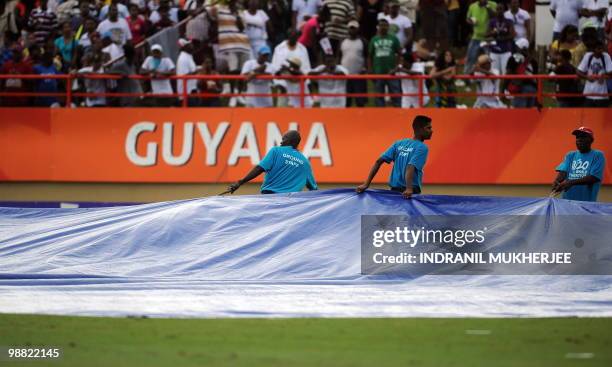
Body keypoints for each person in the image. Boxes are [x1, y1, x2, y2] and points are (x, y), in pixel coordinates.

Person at [356, 115, 433, 198]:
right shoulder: (422, 147)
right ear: (420, 129)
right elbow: (410, 167)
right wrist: (409, 188)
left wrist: (366, 184)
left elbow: (379, 161)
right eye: (428, 128)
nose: (432, 131)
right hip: (410, 193)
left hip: (394, 192)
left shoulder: (398, 143)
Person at [227, 130, 318, 194]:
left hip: (270, 199)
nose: (281, 142)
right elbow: (314, 189)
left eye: (284, 139)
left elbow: (259, 168)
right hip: (291, 204)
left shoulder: (276, 151)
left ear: (291, 141)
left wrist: (240, 182)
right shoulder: (305, 163)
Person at [552, 127, 606, 202]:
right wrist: (557, 181)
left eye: (583, 137)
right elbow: (563, 172)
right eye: (577, 137)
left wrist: (571, 182)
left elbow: (594, 177)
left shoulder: (597, 155)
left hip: (586, 204)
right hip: (566, 203)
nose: (579, 139)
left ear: (591, 140)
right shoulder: (570, 155)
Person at [369, 18, 401, 107]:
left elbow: (399, 53)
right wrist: (371, 69)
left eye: (385, 25)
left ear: (388, 27)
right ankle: (381, 115)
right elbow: (369, 56)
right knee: (379, 95)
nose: (383, 27)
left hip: (391, 72)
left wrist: (397, 67)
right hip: (378, 72)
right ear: (378, 27)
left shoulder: (394, 38)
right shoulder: (374, 40)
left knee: (395, 94)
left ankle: (398, 113)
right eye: (381, 25)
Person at [340, 20, 368, 107]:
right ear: (348, 29)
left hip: (358, 75)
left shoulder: (363, 41)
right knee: (346, 100)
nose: (352, 30)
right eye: (351, 28)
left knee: (360, 100)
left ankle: (360, 118)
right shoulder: (342, 41)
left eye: (354, 28)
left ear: (357, 29)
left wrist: (365, 68)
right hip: (345, 75)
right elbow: (339, 56)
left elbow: (367, 56)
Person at [577, 39, 612, 107]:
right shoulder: (588, 56)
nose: (601, 50)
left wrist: (604, 75)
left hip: (602, 95)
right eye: (598, 49)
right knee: (588, 116)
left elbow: (610, 71)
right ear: (593, 49)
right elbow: (578, 71)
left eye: (602, 48)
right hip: (588, 94)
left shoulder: (606, 56)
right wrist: (587, 77)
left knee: (601, 117)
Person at [465, 0, 496, 74]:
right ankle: (467, 77)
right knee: (470, 57)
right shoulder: (472, 6)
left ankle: (492, 76)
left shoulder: (493, 4)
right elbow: (468, 18)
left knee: (489, 59)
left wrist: (487, 6)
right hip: (476, 37)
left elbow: (494, 16)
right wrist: (471, 21)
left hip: (489, 39)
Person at [487, 3, 515, 75]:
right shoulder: (492, 21)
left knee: (505, 73)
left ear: (504, 10)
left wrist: (500, 38)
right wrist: (492, 33)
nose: (499, 11)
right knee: (495, 73)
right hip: (494, 51)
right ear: (495, 10)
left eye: (501, 9)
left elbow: (512, 35)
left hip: (505, 51)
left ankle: (505, 86)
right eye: (497, 9)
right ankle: (496, 86)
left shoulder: (509, 21)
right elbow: (486, 34)